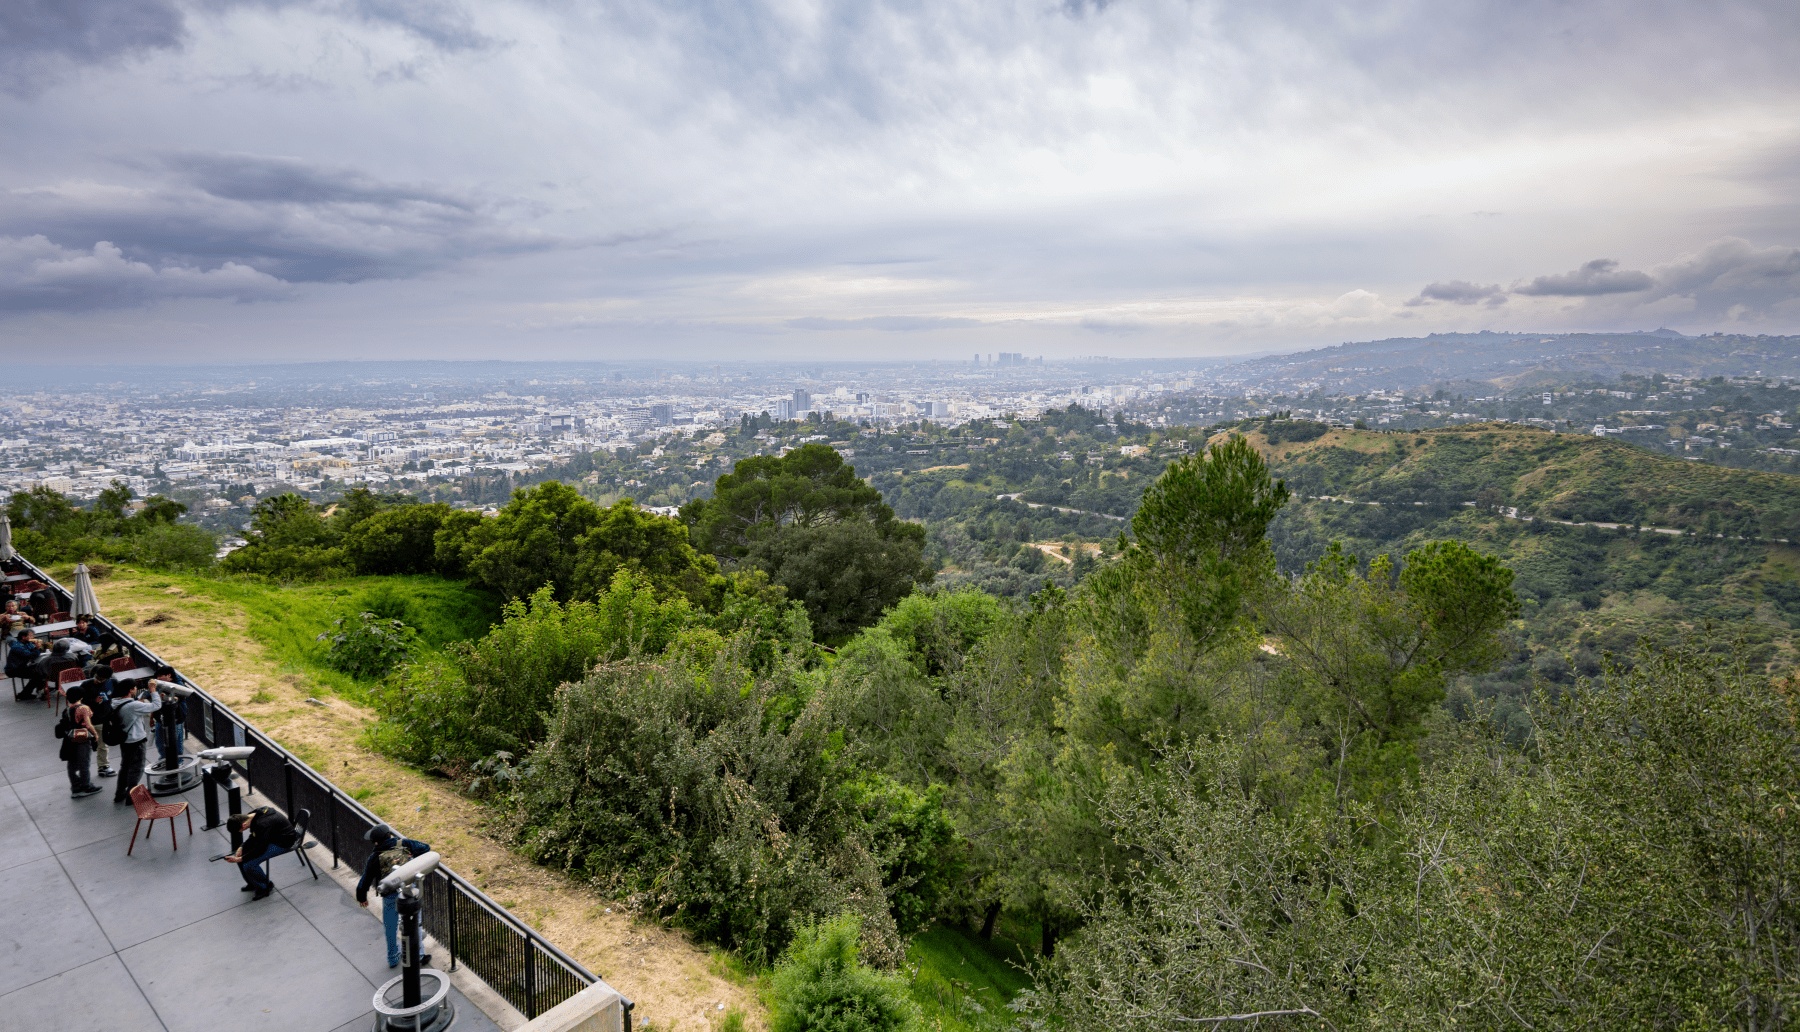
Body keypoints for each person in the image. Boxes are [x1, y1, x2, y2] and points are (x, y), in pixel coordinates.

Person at [356, 823, 432, 968]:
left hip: (389, 896)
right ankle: (419, 955)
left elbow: (365, 880)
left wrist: (362, 897)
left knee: (390, 928)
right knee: (415, 923)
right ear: (389, 835)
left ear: (376, 842)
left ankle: (392, 957)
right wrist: (412, 858)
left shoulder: (375, 857)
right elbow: (426, 848)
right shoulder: (404, 844)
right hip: (409, 891)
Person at [223, 807, 296, 900]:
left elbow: (260, 848)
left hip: (283, 842)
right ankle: (253, 883)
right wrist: (242, 847)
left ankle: (265, 886)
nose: (241, 832)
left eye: (240, 831)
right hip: (272, 837)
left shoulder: (262, 824)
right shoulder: (253, 815)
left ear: (243, 825)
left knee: (249, 864)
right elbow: (255, 836)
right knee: (242, 856)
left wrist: (241, 859)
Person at [111, 680, 163, 804]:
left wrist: (138, 703)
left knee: (125, 767)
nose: (136, 689)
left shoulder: (115, 702)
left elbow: (130, 709)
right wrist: (153, 691)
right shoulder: (133, 706)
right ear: (130, 690)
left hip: (125, 741)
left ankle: (119, 793)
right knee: (137, 768)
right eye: (134, 687)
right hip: (136, 740)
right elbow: (156, 705)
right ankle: (132, 796)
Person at [60, 685, 102, 798]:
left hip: (70, 739)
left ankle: (75, 786)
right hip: (82, 738)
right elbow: (88, 725)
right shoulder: (83, 708)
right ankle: (86, 786)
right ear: (81, 696)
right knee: (84, 763)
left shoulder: (67, 710)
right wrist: (95, 734)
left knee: (72, 763)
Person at [150, 666, 185, 769]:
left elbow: (179, 698)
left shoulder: (179, 687)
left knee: (176, 742)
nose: (158, 679)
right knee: (160, 741)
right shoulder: (159, 684)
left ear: (169, 675)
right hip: (160, 718)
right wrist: (152, 717)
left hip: (175, 719)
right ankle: (164, 759)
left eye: (160, 676)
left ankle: (179, 761)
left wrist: (168, 697)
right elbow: (154, 702)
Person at [89, 673, 117, 777]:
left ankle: (103, 766)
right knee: (102, 745)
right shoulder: (88, 686)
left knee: (102, 745)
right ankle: (103, 766)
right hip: (94, 720)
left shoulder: (111, 683)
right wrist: (94, 701)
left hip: (102, 719)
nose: (98, 681)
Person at [7, 628, 45, 700]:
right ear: (23, 637)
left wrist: (37, 648)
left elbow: (33, 651)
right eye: (30, 636)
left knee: (41, 669)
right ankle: (24, 694)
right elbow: (30, 655)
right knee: (38, 674)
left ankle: (40, 688)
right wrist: (37, 649)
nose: (33, 637)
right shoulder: (17, 646)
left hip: (24, 666)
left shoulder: (28, 643)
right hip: (14, 669)